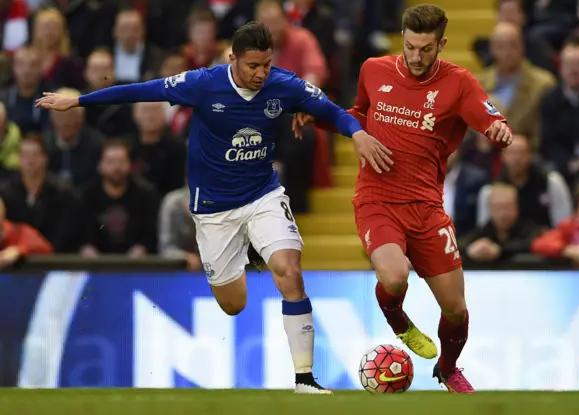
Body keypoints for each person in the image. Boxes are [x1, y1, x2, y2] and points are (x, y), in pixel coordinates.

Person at [35, 21, 392, 394]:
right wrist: (77, 101)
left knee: (289, 271)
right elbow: (142, 91)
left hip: (262, 195)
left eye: (267, 64)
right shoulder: (203, 83)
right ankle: (249, 251)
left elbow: (332, 110)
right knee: (233, 304)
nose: (261, 73)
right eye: (253, 65)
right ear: (232, 58)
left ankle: (305, 379)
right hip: (213, 209)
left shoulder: (283, 84)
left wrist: (358, 134)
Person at [293, 4, 512, 393]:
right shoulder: (374, 70)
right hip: (378, 199)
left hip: (427, 207)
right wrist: (320, 118)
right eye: (410, 46)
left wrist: (497, 128)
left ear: (441, 44)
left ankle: (448, 368)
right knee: (394, 278)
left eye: (426, 49)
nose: (416, 56)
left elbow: (487, 116)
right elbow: (358, 113)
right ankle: (398, 320)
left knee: (456, 309)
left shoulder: (458, 83)